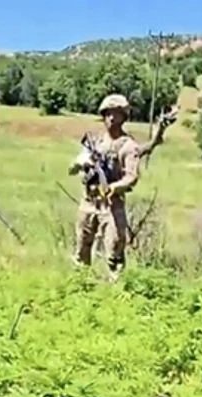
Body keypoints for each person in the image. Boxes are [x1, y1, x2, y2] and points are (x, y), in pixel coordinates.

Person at [69, 93, 143, 278]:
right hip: (89, 202)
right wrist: (81, 163)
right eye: (108, 113)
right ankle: (80, 287)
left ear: (124, 117)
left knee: (114, 256)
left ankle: (116, 292)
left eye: (116, 113)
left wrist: (115, 187)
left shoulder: (128, 146)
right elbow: (72, 169)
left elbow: (132, 177)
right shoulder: (96, 143)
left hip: (112, 205)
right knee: (81, 251)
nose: (111, 118)